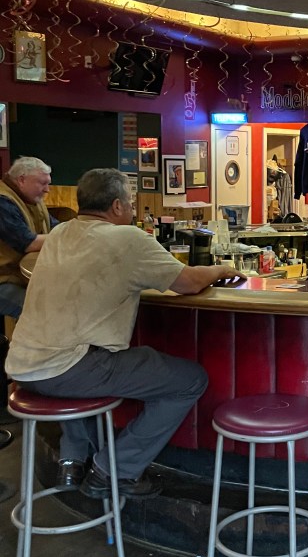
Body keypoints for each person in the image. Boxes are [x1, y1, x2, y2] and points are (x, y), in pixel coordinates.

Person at [6, 168, 243, 495]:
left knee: (73, 356)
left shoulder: (59, 234)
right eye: (130, 203)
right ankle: (112, 471)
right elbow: (188, 283)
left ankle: (72, 462)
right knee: (190, 380)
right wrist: (220, 269)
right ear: (116, 206)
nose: (132, 209)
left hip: (21, 366)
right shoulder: (128, 239)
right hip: (65, 371)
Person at [0, 156, 58, 319]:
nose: (47, 189)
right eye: (43, 183)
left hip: (22, 277)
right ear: (22, 180)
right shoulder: (3, 202)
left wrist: (72, 229)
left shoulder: (31, 199)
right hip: (4, 280)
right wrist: (67, 235)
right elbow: (28, 243)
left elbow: (54, 226)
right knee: (42, 314)